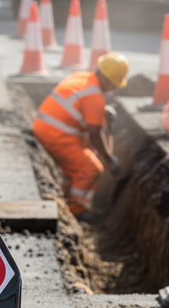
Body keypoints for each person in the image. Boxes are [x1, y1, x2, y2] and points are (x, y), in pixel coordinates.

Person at [32, 52, 129, 217]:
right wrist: (108, 158)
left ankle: (64, 195)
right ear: (105, 79)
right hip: (56, 137)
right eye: (113, 84)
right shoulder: (95, 98)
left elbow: (79, 103)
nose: (113, 89)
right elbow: (95, 135)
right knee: (91, 169)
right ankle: (76, 210)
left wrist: (101, 112)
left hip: (44, 127)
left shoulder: (81, 77)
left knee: (80, 164)